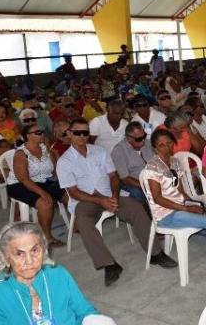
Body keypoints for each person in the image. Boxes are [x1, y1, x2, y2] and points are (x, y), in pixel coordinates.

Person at [57, 118, 174, 287]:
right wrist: (100, 200)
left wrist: (114, 195)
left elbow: (114, 177)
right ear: (69, 133)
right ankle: (109, 264)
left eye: (85, 133)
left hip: (110, 195)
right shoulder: (64, 162)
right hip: (86, 200)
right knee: (83, 222)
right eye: (77, 133)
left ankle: (155, 253)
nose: (82, 136)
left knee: (137, 209)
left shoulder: (99, 151)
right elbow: (73, 192)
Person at [141, 129, 206, 274]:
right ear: (155, 148)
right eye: (161, 145)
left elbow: (180, 190)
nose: (166, 147)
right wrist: (187, 209)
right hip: (166, 214)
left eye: (169, 143)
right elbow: (158, 199)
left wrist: (194, 204)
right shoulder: (152, 168)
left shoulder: (174, 162)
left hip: (181, 207)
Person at [0, 222, 117, 324]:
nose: (29, 261)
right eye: (19, 254)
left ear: (44, 250)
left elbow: (85, 311)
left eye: (34, 250)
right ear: (5, 256)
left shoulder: (57, 275)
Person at [6, 124, 67, 247]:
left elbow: (54, 171)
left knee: (69, 195)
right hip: (19, 184)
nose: (42, 134)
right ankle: (47, 237)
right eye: (37, 132)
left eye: (42, 131)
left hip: (43, 180)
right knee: (45, 203)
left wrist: (53, 154)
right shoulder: (21, 154)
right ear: (27, 136)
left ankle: (77, 225)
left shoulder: (45, 148)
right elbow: (24, 179)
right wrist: (43, 193)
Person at [111, 122, 154, 203]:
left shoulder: (148, 143)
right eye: (138, 139)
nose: (143, 140)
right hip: (133, 182)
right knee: (139, 194)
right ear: (128, 138)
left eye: (144, 136)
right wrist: (146, 186)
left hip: (153, 180)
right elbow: (125, 178)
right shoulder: (119, 150)